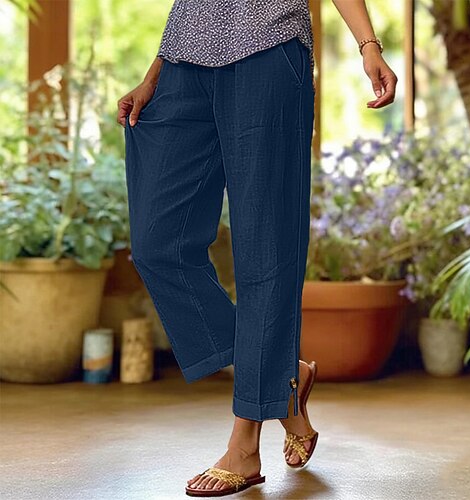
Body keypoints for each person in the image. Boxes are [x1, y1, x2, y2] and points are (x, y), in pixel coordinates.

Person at [117, 0, 397, 496]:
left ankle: (244, 446)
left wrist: (368, 45)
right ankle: (283, 376)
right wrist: (156, 71)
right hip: (184, 60)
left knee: (266, 251)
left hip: (267, 51)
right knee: (158, 243)